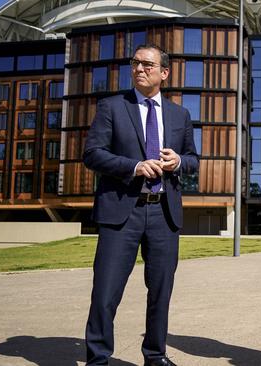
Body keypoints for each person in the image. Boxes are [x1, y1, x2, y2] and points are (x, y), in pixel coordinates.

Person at [83, 44, 198, 366]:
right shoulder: (111, 107)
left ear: (164, 72)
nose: (139, 69)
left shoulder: (180, 114)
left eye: (148, 64)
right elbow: (92, 154)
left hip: (164, 213)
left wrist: (179, 162)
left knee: (160, 293)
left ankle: (155, 354)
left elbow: (193, 159)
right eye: (135, 63)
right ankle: (98, 358)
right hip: (122, 212)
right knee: (106, 292)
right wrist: (133, 167)